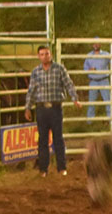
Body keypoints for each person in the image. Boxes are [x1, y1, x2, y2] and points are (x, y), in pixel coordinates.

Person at [24, 45, 81, 177]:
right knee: (42, 139)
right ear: (39, 56)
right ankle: (43, 169)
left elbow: (68, 84)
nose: (45, 57)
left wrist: (75, 98)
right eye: (42, 54)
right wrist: (28, 107)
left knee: (58, 138)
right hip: (41, 108)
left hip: (55, 107)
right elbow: (31, 91)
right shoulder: (36, 72)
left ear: (51, 55)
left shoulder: (59, 69)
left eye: (47, 54)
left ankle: (61, 167)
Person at [83, 38, 112, 120]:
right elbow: (85, 68)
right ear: (92, 45)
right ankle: (90, 120)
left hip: (104, 80)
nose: (96, 45)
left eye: (97, 43)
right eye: (94, 43)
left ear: (100, 44)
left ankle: (111, 119)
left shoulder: (106, 54)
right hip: (93, 81)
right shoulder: (89, 56)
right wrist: (89, 70)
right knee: (91, 102)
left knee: (108, 101)